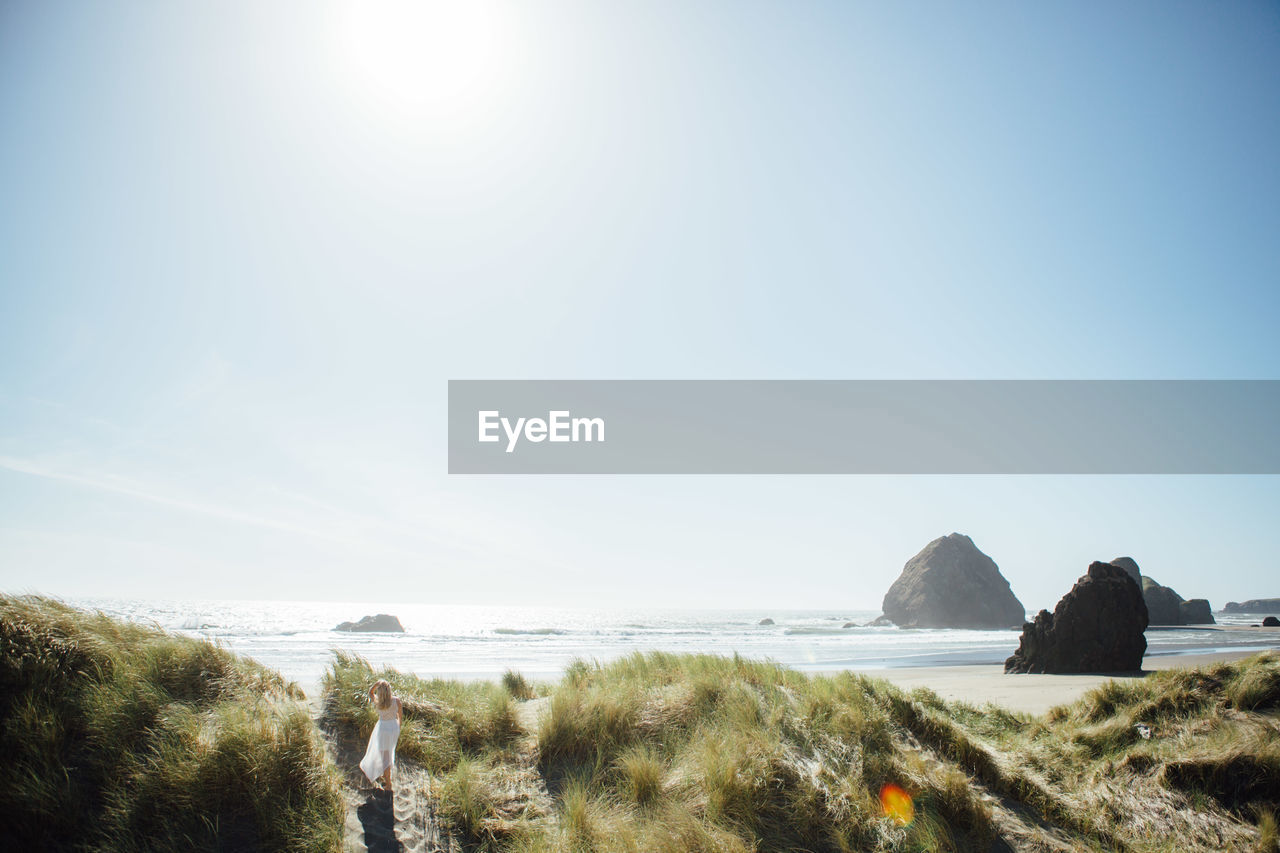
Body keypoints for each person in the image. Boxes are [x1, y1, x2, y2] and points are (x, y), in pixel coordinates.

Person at [359, 679, 402, 792]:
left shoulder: (378, 702)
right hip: (393, 728)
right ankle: (386, 775)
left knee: (385, 757)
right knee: (388, 752)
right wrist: (398, 727)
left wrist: (376, 684)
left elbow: (370, 692)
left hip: (383, 729)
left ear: (380, 692)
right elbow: (400, 717)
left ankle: (388, 785)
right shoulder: (396, 701)